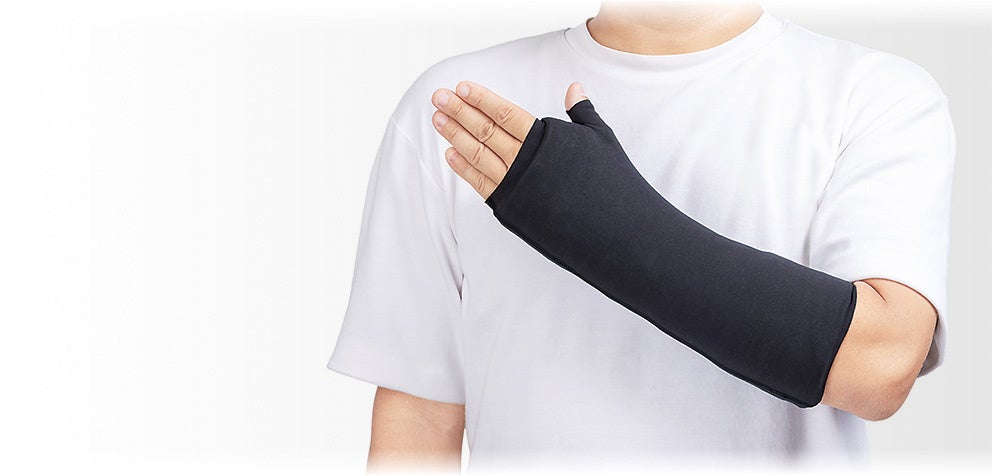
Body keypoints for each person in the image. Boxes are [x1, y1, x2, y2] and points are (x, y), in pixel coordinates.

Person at [327, 0, 956, 472]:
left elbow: (880, 367)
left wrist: (596, 220)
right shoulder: (462, 111)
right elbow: (420, 420)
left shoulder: (873, 97)